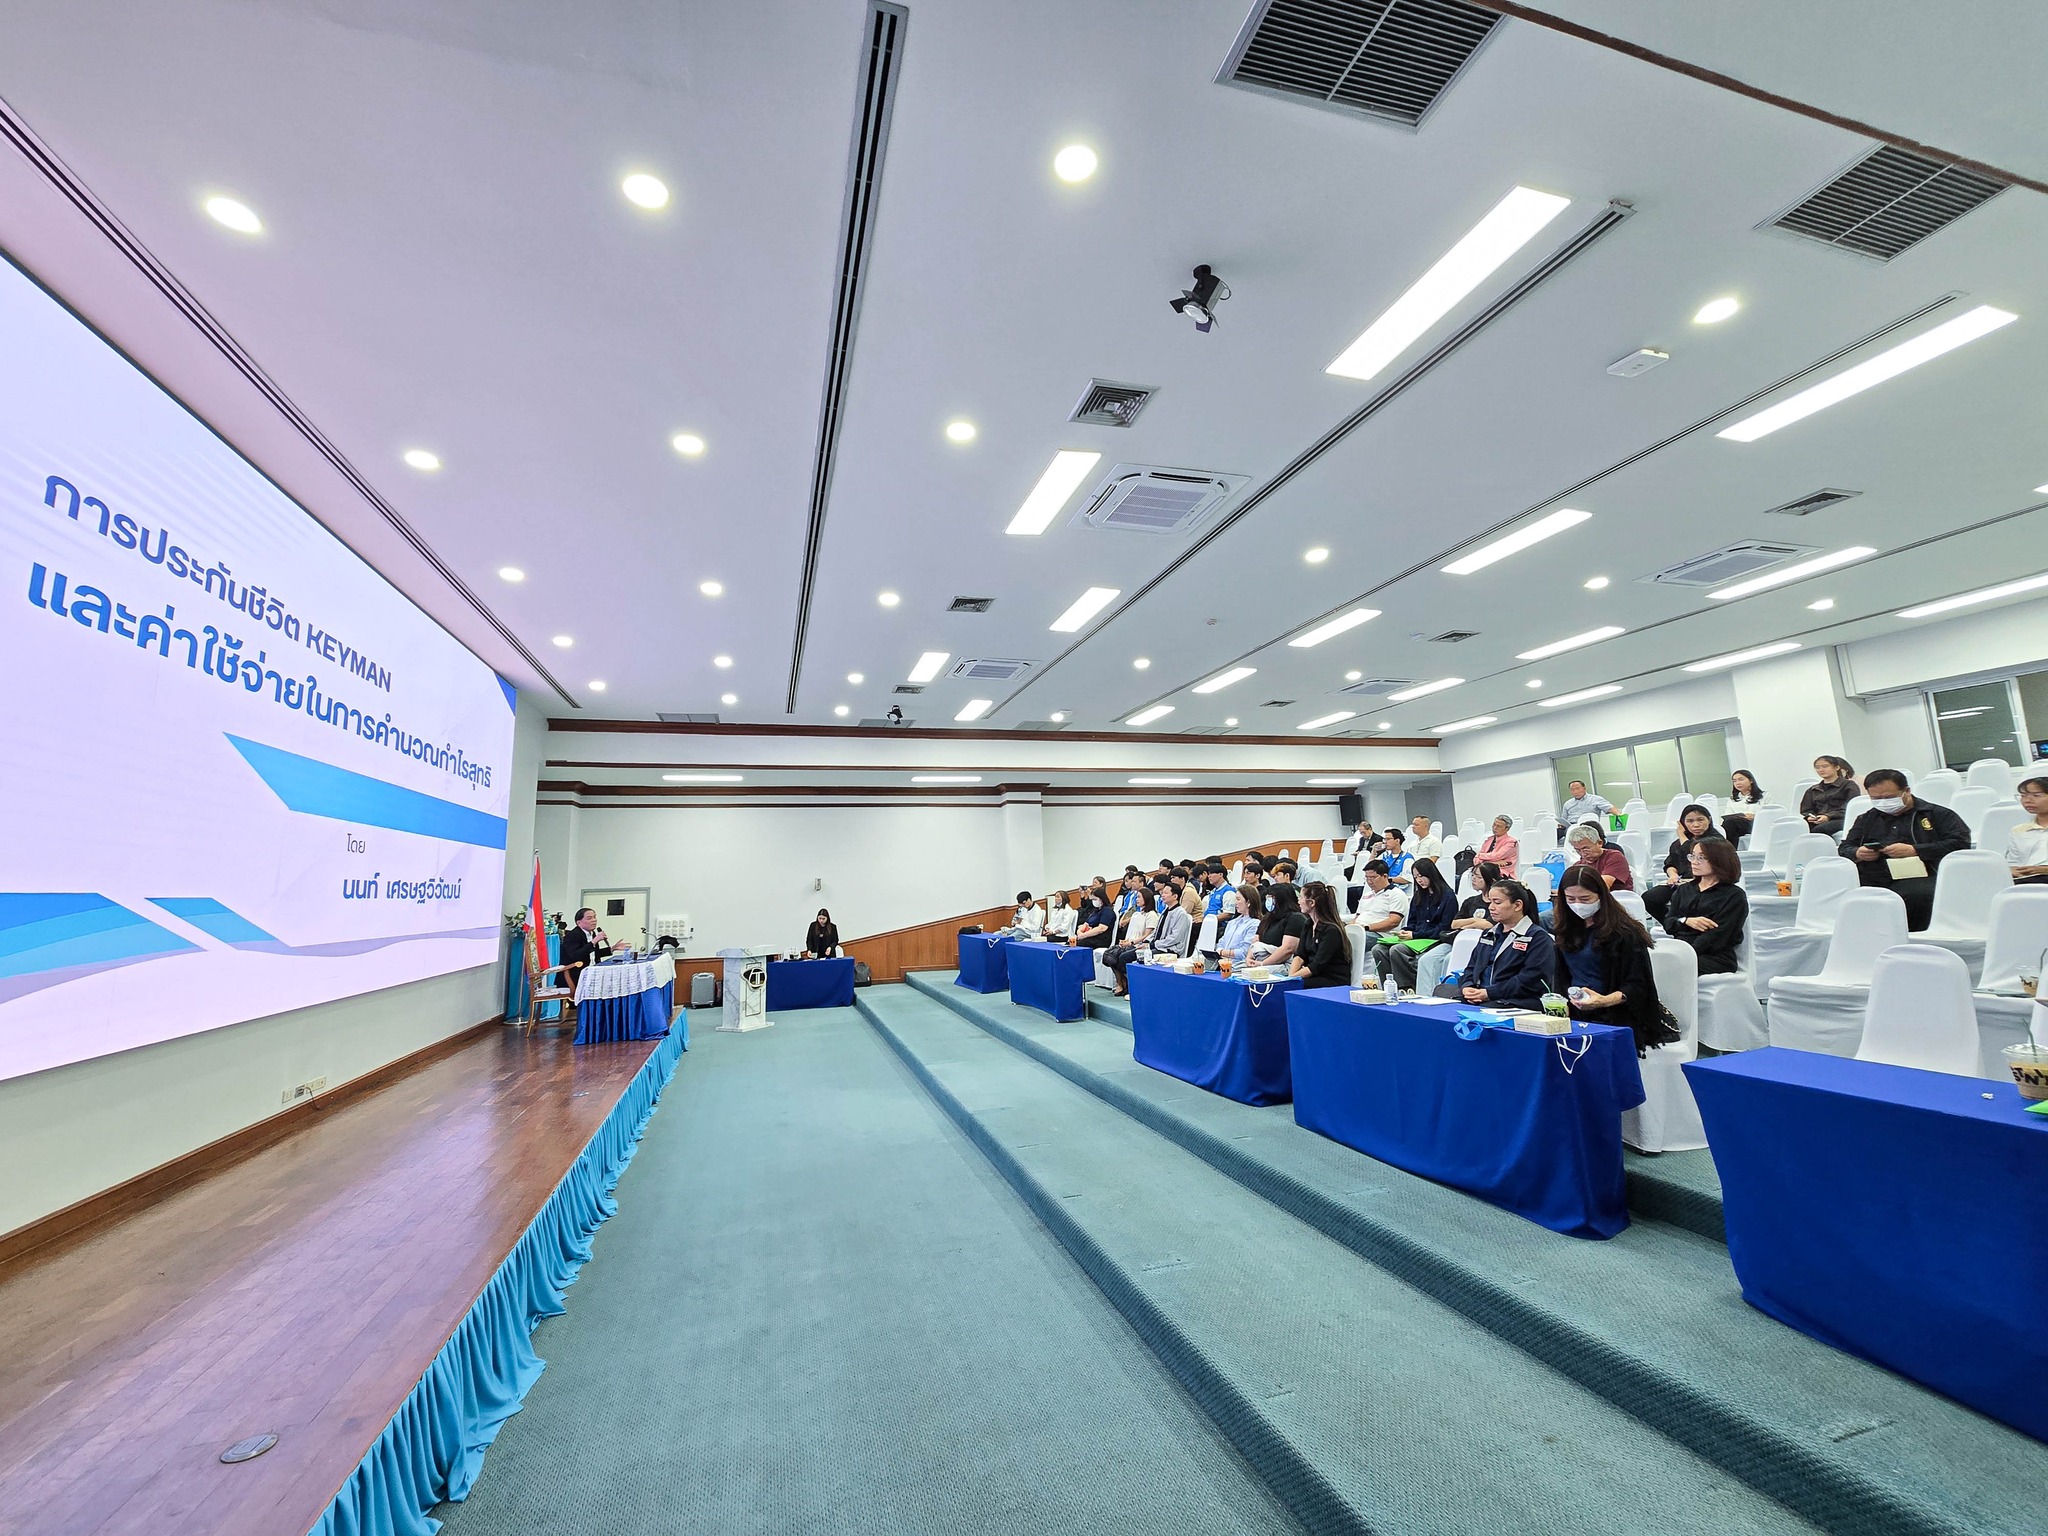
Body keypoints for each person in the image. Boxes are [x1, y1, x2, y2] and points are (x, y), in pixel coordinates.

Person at [1549, 868, 1675, 1056]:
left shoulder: (1624, 933)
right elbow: (1561, 976)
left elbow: (1638, 986)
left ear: (1601, 896)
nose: (1577, 905)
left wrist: (1604, 1001)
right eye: (1570, 899)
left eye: (1585, 899)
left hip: (1615, 1013)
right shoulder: (1566, 929)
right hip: (1576, 1011)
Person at [1837, 768, 1973, 930]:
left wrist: (1915, 850)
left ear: (1906, 791)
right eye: (1876, 799)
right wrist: (1858, 853)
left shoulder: (1937, 814)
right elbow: (1845, 847)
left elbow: (1960, 844)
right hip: (1874, 876)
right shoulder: (1867, 818)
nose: (1883, 802)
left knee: (1913, 896)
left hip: (1924, 874)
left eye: (1889, 797)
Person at [1458, 879, 1556, 1009]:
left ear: (1517, 905)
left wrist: (1489, 993)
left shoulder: (1538, 938)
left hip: (1516, 1001)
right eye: (1490, 902)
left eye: (1497, 902)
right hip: (1482, 997)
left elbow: (1531, 979)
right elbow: (1471, 967)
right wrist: (1467, 986)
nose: (1491, 907)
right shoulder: (1489, 934)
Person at [1659, 838, 1747, 974]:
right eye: (1692, 856)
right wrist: (1686, 921)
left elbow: (1719, 936)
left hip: (1714, 956)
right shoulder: (1684, 889)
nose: (1694, 862)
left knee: (1667, 967)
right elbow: (1668, 923)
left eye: (1701, 858)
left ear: (1719, 860)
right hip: (1682, 949)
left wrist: (1687, 954)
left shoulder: (1734, 896)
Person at [1375, 856, 1455, 991]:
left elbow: (1444, 928)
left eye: (1421, 876)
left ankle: (1406, 987)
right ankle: (1388, 986)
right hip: (1416, 937)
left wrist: (1415, 935)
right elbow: (1412, 921)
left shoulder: (1448, 896)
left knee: (1397, 950)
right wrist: (1405, 931)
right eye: (1416, 877)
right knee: (1378, 949)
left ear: (1431, 874)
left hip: (1433, 938)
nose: (1419, 880)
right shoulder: (1419, 895)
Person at [1644, 805, 1721, 920]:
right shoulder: (1678, 843)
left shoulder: (1716, 840)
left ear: (1709, 820)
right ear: (1683, 823)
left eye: (1700, 820)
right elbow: (1670, 863)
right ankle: (1672, 924)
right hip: (1682, 882)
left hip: (1706, 881)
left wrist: (1681, 835)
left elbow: (1692, 852)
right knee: (1649, 898)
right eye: (1690, 821)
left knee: (1683, 898)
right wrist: (1673, 875)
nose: (1695, 825)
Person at [1289, 882, 1354, 989]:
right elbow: (1300, 955)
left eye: (1301, 897)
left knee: (1293, 986)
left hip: (1332, 979)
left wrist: (1292, 979)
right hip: (1314, 975)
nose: (1298, 901)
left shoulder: (1331, 930)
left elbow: (1317, 965)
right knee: (1287, 985)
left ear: (1312, 903)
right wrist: (1290, 977)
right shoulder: (1308, 924)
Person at [1101, 891, 1163, 997]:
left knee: (1119, 956)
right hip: (1131, 942)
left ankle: (1125, 983)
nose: (1136, 899)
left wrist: (1131, 942)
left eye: (1139, 897)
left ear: (1147, 898)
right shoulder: (1136, 914)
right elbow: (1132, 933)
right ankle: (1120, 982)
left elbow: (1147, 936)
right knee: (1108, 954)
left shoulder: (1152, 915)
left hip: (1141, 944)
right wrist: (1126, 941)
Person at [1352, 860, 1410, 958]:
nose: (1369, 881)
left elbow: (1393, 922)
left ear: (1385, 876)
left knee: (1350, 940)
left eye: (1373, 877)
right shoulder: (1366, 895)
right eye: (1367, 878)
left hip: (1381, 934)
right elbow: (1357, 918)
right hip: (1360, 930)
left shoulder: (1396, 894)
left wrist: (1366, 927)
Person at [1248, 882, 1308, 969]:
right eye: (1267, 897)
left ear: (1281, 898)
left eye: (1271, 897)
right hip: (1260, 960)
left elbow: (1288, 949)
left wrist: (1263, 964)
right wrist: (1249, 958)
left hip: (1283, 964)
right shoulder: (1267, 917)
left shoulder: (1295, 918)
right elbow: (1256, 941)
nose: (1268, 900)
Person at [1800, 756, 1861, 838]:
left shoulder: (1848, 785)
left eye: (1825, 766)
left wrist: (1828, 816)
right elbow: (1806, 809)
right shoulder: (1813, 789)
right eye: (1817, 767)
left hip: (1842, 819)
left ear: (1837, 767)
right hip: (1819, 819)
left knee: (1820, 829)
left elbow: (1851, 806)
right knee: (1799, 828)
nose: (1821, 770)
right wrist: (1810, 816)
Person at [1564, 822, 1634, 890]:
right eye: (1577, 850)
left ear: (1600, 843)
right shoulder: (1578, 865)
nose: (1582, 853)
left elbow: (1604, 886)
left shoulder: (1614, 857)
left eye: (1586, 848)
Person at [2006, 776, 2048, 884]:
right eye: (2023, 796)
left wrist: (2044, 870)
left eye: (2036, 795)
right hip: (2026, 881)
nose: (2027, 800)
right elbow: (2013, 862)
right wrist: (2012, 870)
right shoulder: (2018, 831)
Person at [1217, 885, 1263, 965]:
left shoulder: (1255, 924)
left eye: (1238, 899)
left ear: (1248, 902)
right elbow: (1222, 941)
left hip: (1240, 965)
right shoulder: (1232, 922)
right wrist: (1220, 950)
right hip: (1223, 963)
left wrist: (1223, 952)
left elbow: (1245, 951)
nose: (1235, 903)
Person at [559, 907, 612, 977]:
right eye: (589, 918)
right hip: (576, 974)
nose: (594, 920)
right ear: (579, 922)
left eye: (594, 917)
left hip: (592, 970)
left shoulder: (592, 933)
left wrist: (612, 949)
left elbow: (594, 954)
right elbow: (576, 956)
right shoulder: (572, 935)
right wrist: (594, 941)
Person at [1451, 861, 1502, 931]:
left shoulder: (1499, 903)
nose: (1473, 879)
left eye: (1479, 877)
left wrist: (1465, 926)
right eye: (1473, 875)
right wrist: (1475, 920)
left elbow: (1488, 925)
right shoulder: (1470, 901)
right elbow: (1454, 924)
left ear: (1492, 881)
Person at [1721, 770, 1765, 846]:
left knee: (1730, 824)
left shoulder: (1764, 796)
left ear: (1751, 780)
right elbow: (1728, 814)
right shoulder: (1733, 799)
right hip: (1737, 823)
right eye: (1734, 781)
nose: (1737, 783)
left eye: (1741, 779)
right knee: (1726, 824)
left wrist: (1755, 816)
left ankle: (1729, 850)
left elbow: (1770, 813)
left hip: (1755, 823)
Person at [1071, 881, 1114, 949]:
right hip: (1089, 936)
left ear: (1101, 899)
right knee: (1071, 942)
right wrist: (1079, 932)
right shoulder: (1095, 911)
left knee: (1078, 943)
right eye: (1092, 900)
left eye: (1095, 899)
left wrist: (1084, 935)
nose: (1093, 902)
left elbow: (1101, 928)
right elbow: (1085, 924)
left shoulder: (1107, 911)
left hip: (1100, 939)